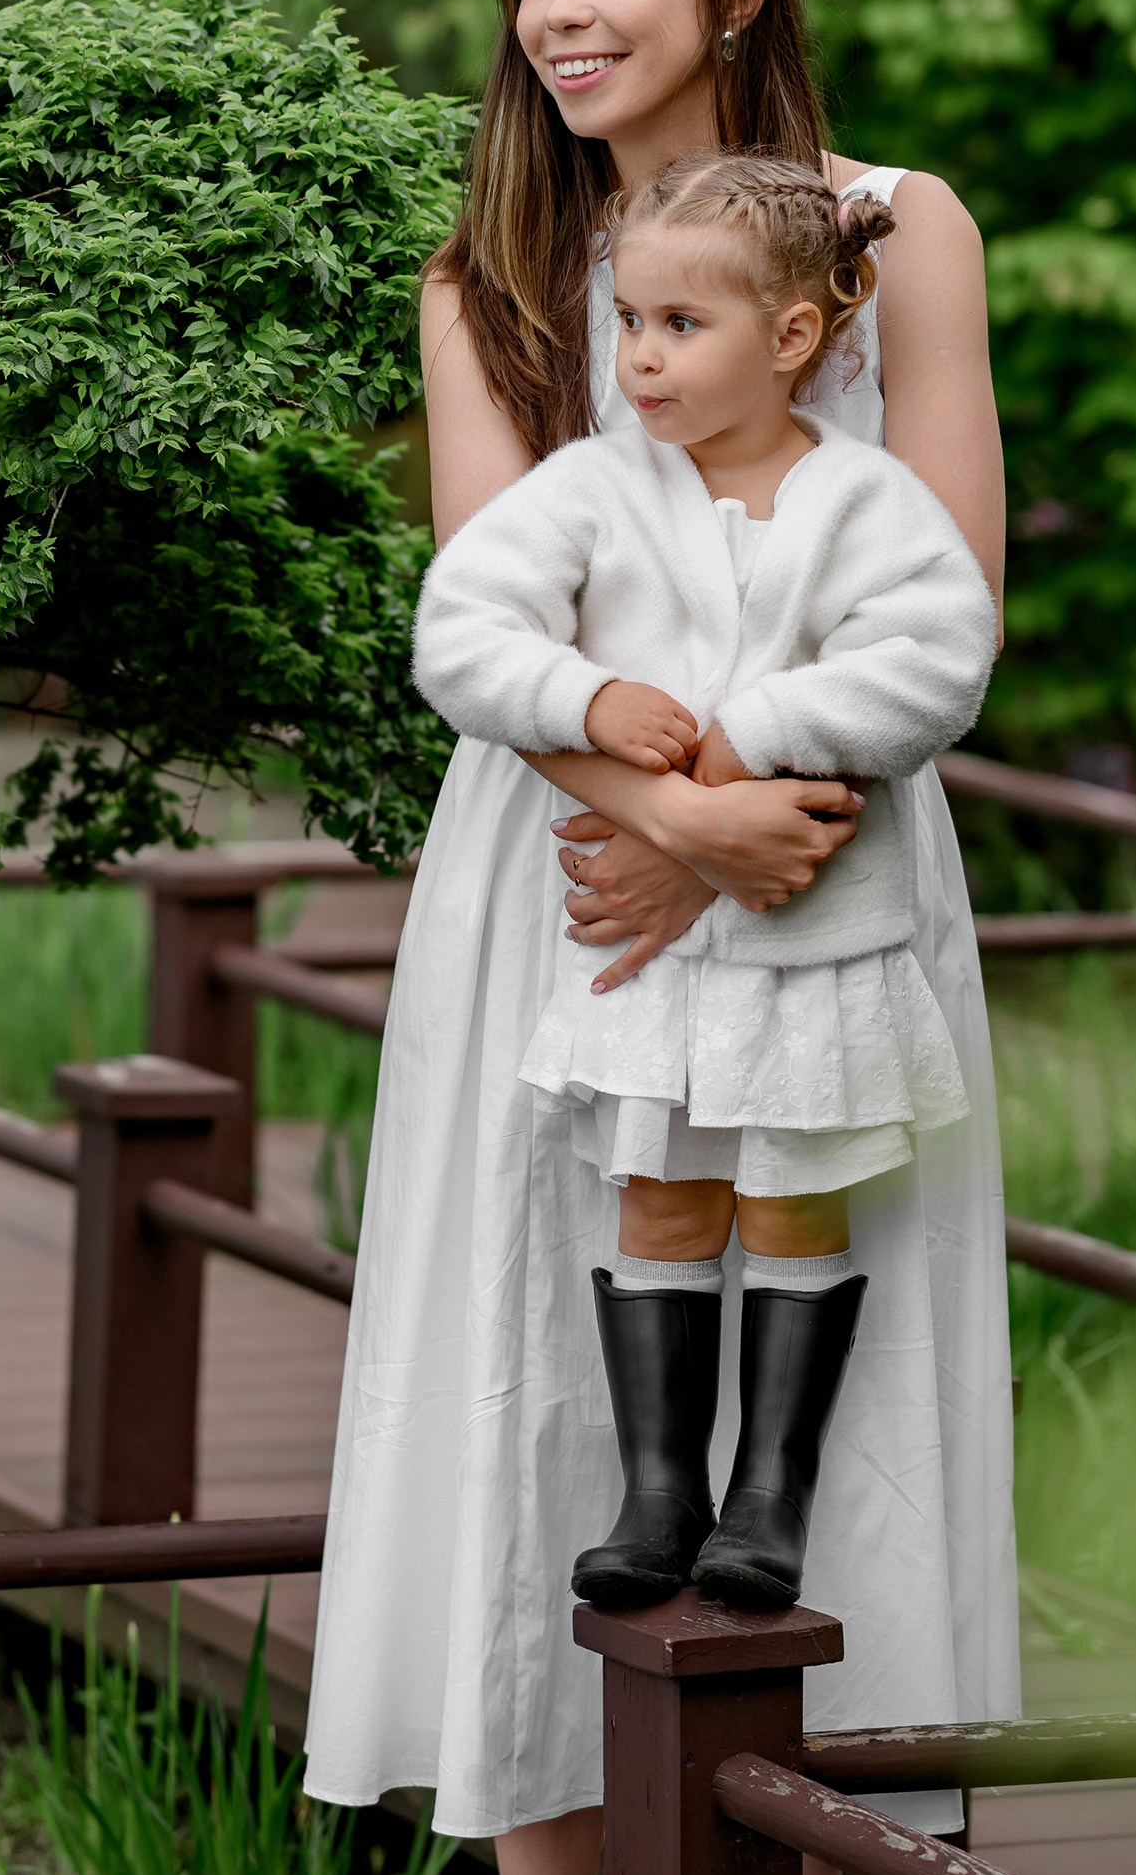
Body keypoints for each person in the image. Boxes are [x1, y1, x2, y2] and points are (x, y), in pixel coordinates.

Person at [301, 0, 1017, 1875]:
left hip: (830, 855)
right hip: (564, 877)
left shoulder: (901, 231)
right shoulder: (496, 269)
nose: (559, 10)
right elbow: (493, 612)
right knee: (542, 1393)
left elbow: (950, 576)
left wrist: (754, 811)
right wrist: (664, 806)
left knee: (821, 1413)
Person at [414, 151, 997, 1614]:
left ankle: (771, 1494)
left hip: (815, 948)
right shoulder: (592, 491)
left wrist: (750, 742)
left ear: (793, 337)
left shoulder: (865, 502)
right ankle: (659, 1487)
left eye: (683, 326)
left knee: (797, 1198)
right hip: (646, 962)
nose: (643, 359)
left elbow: (938, 663)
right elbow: (461, 631)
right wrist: (590, 697)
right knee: (664, 1195)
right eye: (631, 323)